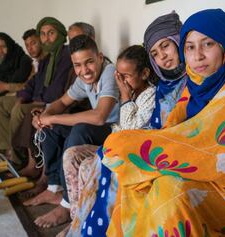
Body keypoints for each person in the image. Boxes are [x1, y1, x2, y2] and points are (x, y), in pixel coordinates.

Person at [99, 8, 225, 236]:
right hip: (215, 180)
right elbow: (174, 132)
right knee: (138, 181)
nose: (197, 56)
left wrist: (135, 148)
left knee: (169, 189)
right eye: (190, 47)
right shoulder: (195, 85)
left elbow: (223, 153)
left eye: (208, 44)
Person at [66, 11, 188, 236]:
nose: (162, 56)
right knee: (98, 156)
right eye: (155, 52)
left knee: (107, 160)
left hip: (161, 150)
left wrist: (124, 96)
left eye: (166, 46)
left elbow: (135, 129)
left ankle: (93, 228)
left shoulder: (154, 92)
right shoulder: (161, 86)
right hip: (140, 142)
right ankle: (80, 223)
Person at [24, 35, 120, 229]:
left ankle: (67, 205)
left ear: (100, 57)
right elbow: (61, 102)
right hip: (101, 130)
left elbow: (100, 116)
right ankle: (54, 187)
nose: (84, 70)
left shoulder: (110, 72)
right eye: (77, 65)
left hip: (117, 131)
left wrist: (53, 117)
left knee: (81, 129)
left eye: (89, 62)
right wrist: (45, 116)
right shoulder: (83, 79)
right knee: (52, 128)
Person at [60, 45, 157, 235]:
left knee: (88, 165)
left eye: (125, 76)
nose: (120, 81)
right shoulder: (132, 91)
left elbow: (130, 132)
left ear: (144, 73)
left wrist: (125, 97)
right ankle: (77, 220)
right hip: (114, 144)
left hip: (128, 151)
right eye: (118, 76)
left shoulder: (149, 96)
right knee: (71, 154)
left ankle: (84, 222)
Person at [0, 18, 73, 170]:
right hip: (36, 98)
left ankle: (18, 157)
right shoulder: (47, 58)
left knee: (20, 110)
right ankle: (6, 148)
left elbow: (57, 88)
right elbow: (33, 82)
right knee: (1, 103)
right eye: (43, 34)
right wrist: (22, 96)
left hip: (47, 101)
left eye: (51, 33)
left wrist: (36, 101)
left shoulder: (66, 55)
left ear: (61, 34)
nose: (46, 38)